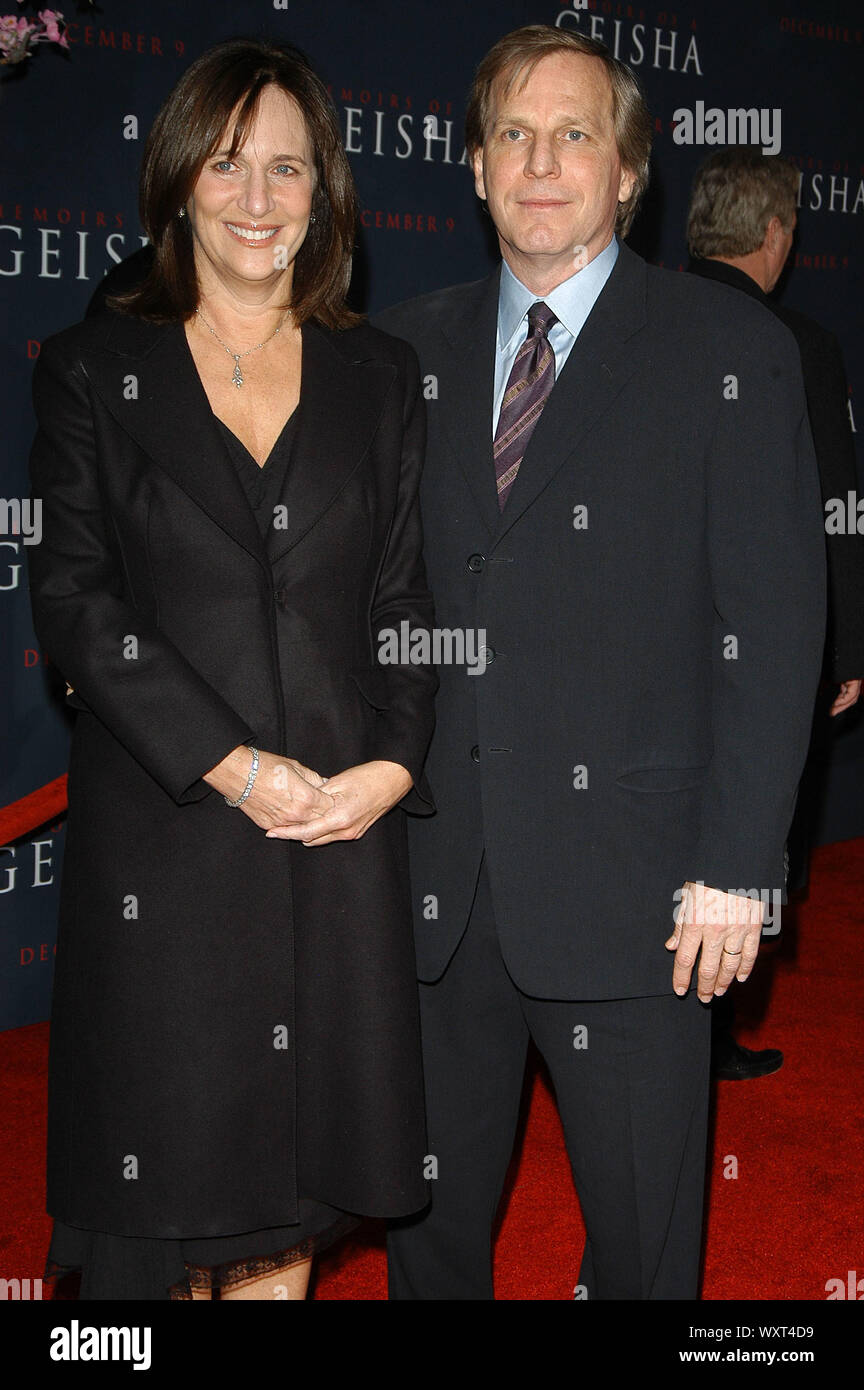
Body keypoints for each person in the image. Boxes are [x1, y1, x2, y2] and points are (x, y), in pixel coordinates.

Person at [373, 26, 826, 1299]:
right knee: (431, 1245)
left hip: (642, 903)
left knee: (639, 1254)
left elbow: (777, 625)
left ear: (631, 171)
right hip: (435, 888)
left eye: (576, 133)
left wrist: (738, 870)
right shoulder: (400, 354)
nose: (542, 161)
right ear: (471, 168)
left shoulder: (729, 354)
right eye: (512, 134)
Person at [26, 36, 436, 1301]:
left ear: (327, 194)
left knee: (294, 1210)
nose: (257, 200)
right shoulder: (95, 367)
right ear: (177, 182)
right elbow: (76, 604)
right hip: (173, 846)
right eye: (225, 164)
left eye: (288, 168)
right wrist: (237, 765)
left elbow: (405, 599)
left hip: (335, 835)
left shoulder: (382, 375)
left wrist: (391, 761)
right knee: (169, 1218)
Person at [687, 149, 864, 1082]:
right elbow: (831, 511)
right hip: (762, 647)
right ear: (774, 234)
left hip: (654, 654)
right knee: (753, 830)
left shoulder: (637, 322)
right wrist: (847, 648)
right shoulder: (798, 344)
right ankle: (707, 1040)